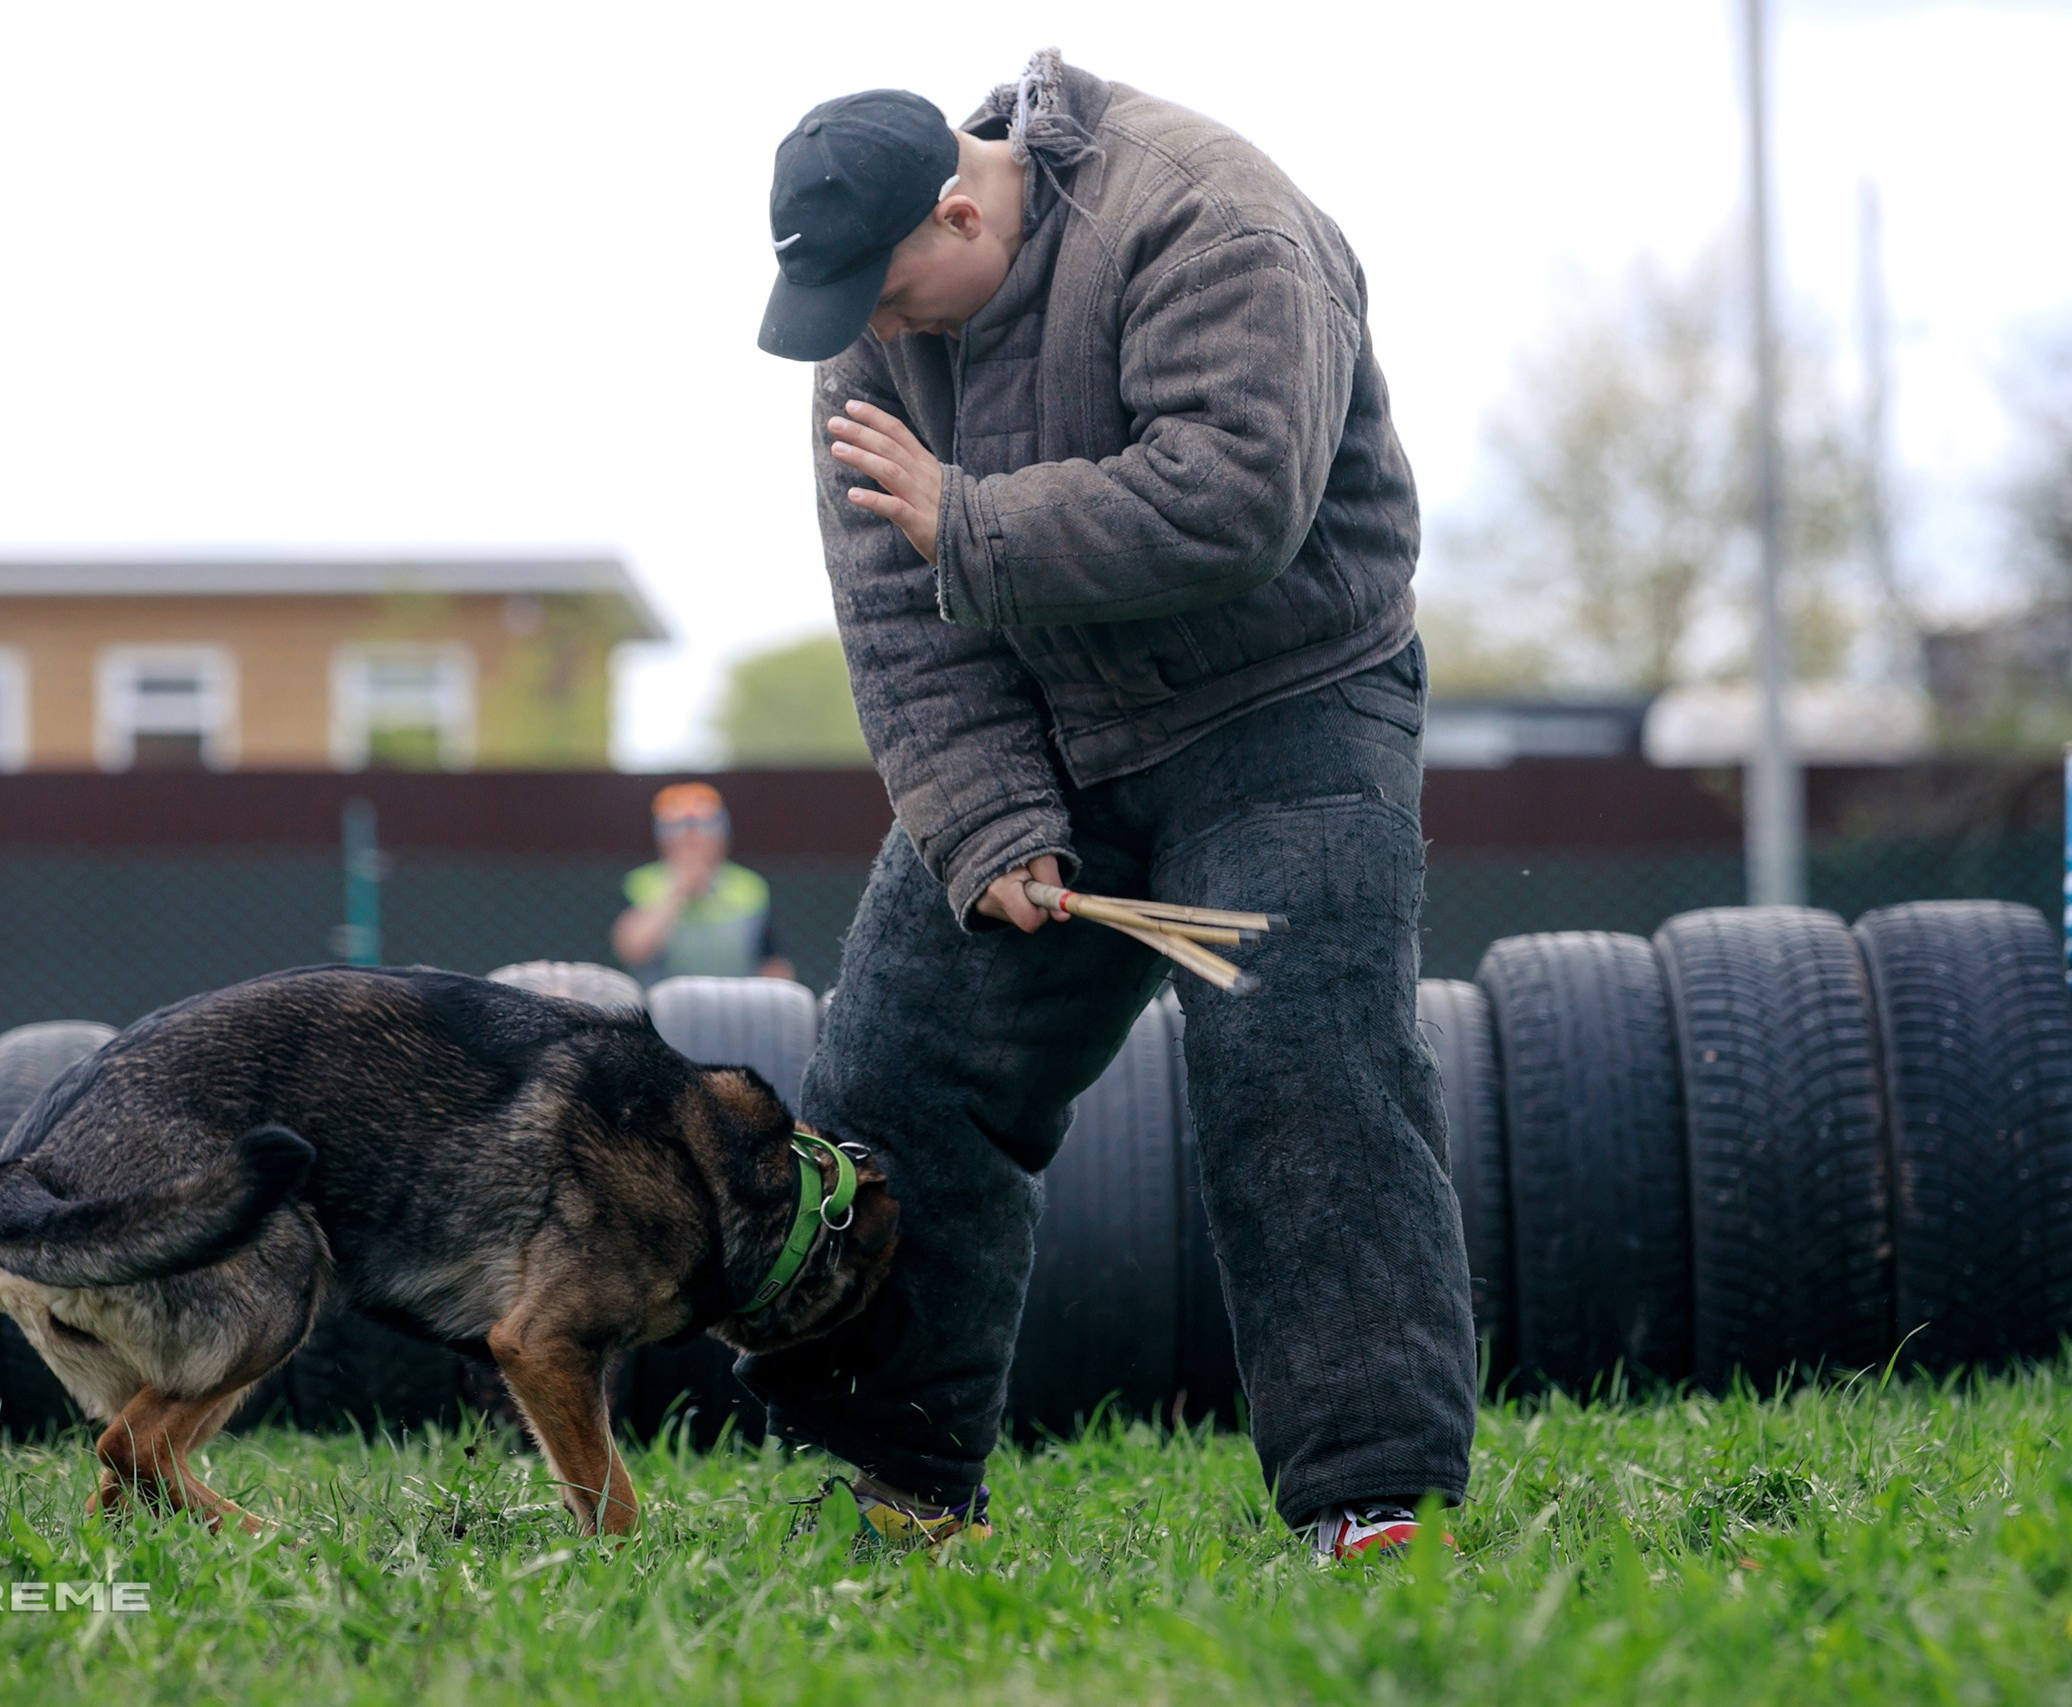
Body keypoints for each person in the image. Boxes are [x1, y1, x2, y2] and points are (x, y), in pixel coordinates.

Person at [744, 50, 1476, 1561]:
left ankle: (1370, 1498)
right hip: (1049, 719)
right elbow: (898, 611)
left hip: (1285, 700)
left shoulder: (1212, 221)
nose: (863, 338)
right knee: (893, 1067)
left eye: (883, 296)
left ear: (959, 210)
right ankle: (898, 1486)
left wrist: (975, 517)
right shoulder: (869, 327)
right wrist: (988, 817)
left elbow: (1234, 498)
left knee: (1303, 1062)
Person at [611, 782, 798, 982]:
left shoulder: (749, 886)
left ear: (722, 837)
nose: (691, 838)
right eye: (676, 830)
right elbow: (631, 950)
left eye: (703, 828)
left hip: (735, 1006)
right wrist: (678, 891)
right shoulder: (640, 883)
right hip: (660, 1008)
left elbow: (772, 963)